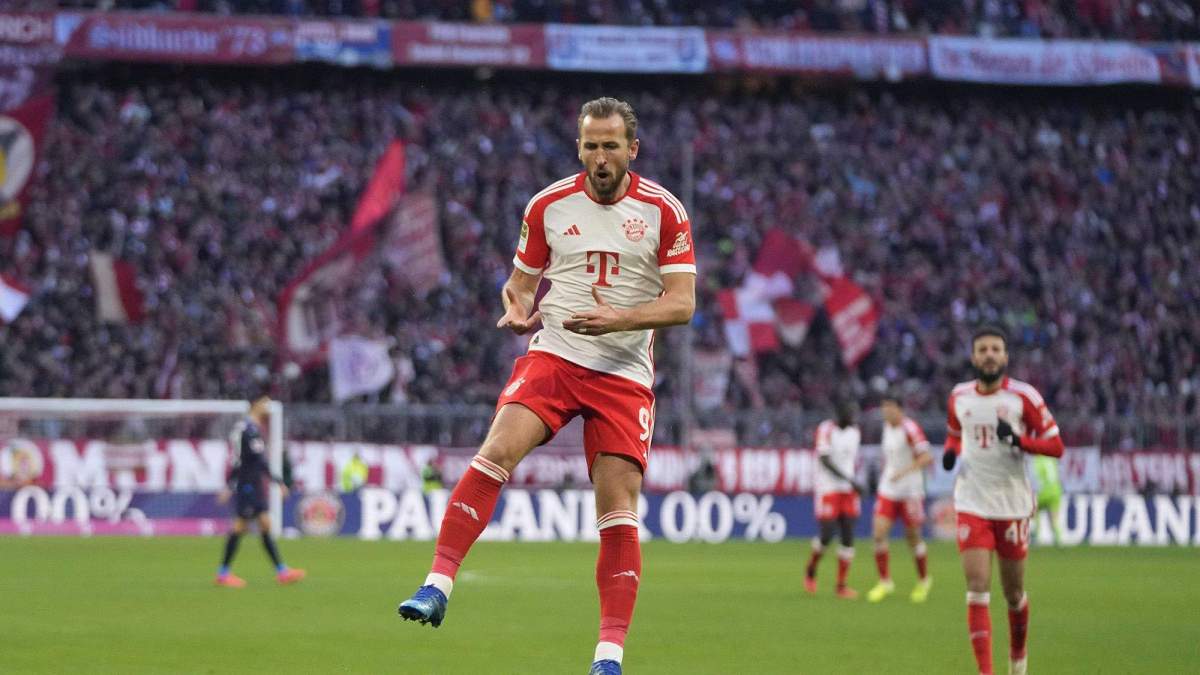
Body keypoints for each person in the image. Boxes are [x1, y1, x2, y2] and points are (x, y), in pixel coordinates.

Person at [396, 97, 696, 675]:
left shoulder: (665, 211)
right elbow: (520, 285)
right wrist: (517, 306)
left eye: (611, 145)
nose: (600, 156)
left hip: (624, 373)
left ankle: (608, 656)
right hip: (557, 353)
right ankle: (436, 584)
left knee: (617, 508)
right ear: (578, 147)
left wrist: (620, 319)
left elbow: (682, 304)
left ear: (632, 149)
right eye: (591, 145)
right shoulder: (548, 206)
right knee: (496, 451)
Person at [942, 327, 1064, 675]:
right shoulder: (959, 397)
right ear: (973, 357)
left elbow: (1056, 447)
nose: (989, 354)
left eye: (996, 349)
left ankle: (1018, 661)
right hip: (972, 501)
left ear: (1006, 357)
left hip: (1011, 504)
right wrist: (950, 454)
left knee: (1014, 594)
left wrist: (1020, 441)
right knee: (977, 587)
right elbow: (954, 435)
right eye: (982, 349)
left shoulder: (1023, 398)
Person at [215, 395, 306, 588]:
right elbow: (254, 462)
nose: (269, 405)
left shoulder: (247, 429)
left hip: (253, 485)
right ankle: (223, 574)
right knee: (240, 526)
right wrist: (279, 482)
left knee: (265, 524)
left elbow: (241, 460)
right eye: (265, 402)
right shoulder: (249, 431)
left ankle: (282, 571)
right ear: (255, 405)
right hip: (248, 486)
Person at [866, 391, 934, 603]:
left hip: (910, 491)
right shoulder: (887, 428)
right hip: (889, 488)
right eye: (883, 407)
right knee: (878, 533)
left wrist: (904, 472)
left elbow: (927, 457)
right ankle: (885, 581)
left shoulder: (910, 429)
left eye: (889, 407)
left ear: (899, 409)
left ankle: (923, 580)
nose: (885, 411)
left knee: (912, 538)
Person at [804, 399, 863, 599]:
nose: (853, 415)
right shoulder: (826, 429)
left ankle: (841, 585)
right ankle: (811, 570)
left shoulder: (855, 433)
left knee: (848, 534)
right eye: (849, 411)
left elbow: (851, 461)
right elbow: (825, 460)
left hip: (847, 490)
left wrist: (852, 482)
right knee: (827, 534)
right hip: (828, 488)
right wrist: (850, 480)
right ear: (839, 412)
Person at [1030, 454, 1064, 545]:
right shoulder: (1052, 459)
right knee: (1054, 519)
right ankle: (1058, 540)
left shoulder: (1036, 462)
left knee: (1034, 512)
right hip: (1056, 491)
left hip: (1043, 492)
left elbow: (1034, 480)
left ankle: (1036, 536)